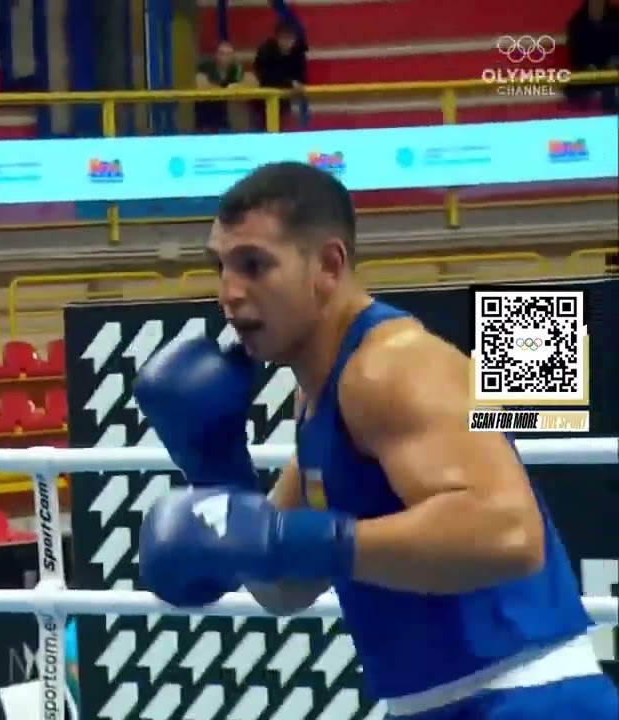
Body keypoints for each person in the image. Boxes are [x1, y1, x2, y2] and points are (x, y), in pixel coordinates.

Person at [134, 162, 618, 718]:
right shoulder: (318, 397)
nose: (229, 293)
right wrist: (219, 472)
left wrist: (306, 539)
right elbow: (287, 588)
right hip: (436, 705)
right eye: (220, 266)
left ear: (328, 265)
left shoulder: (392, 366)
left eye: (254, 265)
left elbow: (511, 535)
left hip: (529, 697)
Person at [253, 20, 309, 128]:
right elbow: (266, 77)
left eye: (290, 38)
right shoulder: (265, 52)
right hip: (262, 100)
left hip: (284, 100)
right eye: (283, 38)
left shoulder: (298, 53)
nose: (287, 42)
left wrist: (297, 83)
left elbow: (302, 77)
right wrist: (290, 83)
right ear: (277, 38)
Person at [194, 42, 257, 133]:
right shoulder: (206, 66)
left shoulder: (235, 69)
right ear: (216, 55)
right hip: (205, 117)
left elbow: (250, 82)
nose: (225, 57)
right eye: (222, 53)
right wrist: (226, 89)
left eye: (229, 54)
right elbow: (201, 86)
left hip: (224, 120)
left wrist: (234, 88)